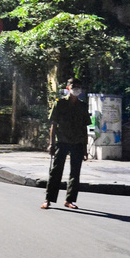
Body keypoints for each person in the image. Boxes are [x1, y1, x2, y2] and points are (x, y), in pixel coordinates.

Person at [41, 78, 91, 211]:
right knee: (56, 171)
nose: (76, 89)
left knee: (75, 173)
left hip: (77, 143)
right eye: (74, 86)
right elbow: (53, 125)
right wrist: (51, 144)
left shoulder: (83, 106)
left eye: (79, 87)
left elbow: (84, 128)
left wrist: (85, 149)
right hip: (62, 141)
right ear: (68, 88)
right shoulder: (60, 103)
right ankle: (48, 199)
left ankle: (69, 200)